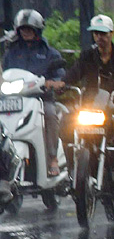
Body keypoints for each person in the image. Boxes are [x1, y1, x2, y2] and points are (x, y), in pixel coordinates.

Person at [64, 14, 114, 185]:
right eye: (96, 34)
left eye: (103, 34)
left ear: (111, 34)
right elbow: (73, 73)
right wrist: (61, 83)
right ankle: (71, 171)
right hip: (91, 107)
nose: (100, 37)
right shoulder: (87, 56)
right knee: (66, 122)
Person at [2, 9, 66, 177]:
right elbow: (5, 75)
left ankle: (53, 158)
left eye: (30, 29)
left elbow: (60, 76)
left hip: (41, 98)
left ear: (38, 30)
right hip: (15, 99)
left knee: (51, 113)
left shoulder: (50, 53)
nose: (26, 32)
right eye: (23, 29)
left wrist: (53, 83)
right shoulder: (11, 53)